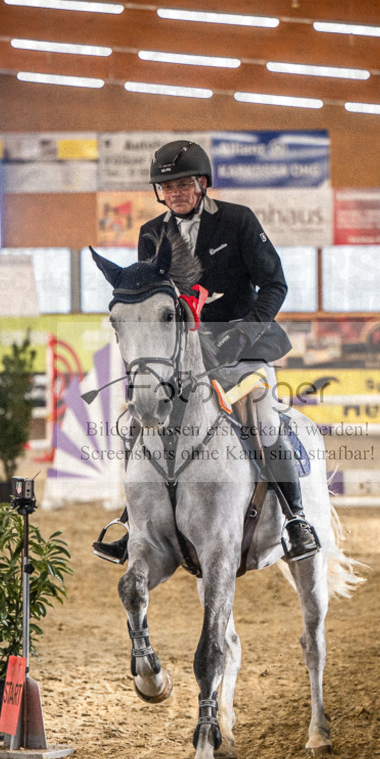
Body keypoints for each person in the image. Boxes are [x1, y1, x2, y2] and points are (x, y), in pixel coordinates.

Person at [94, 139, 320, 563]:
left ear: (202, 183)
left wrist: (243, 332)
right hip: (183, 357)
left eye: (182, 185)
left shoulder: (238, 221)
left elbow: (275, 285)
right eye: (167, 187)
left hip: (242, 348)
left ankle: (296, 519)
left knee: (265, 415)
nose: (175, 194)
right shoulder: (151, 234)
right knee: (138, 422)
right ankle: (135, 519)